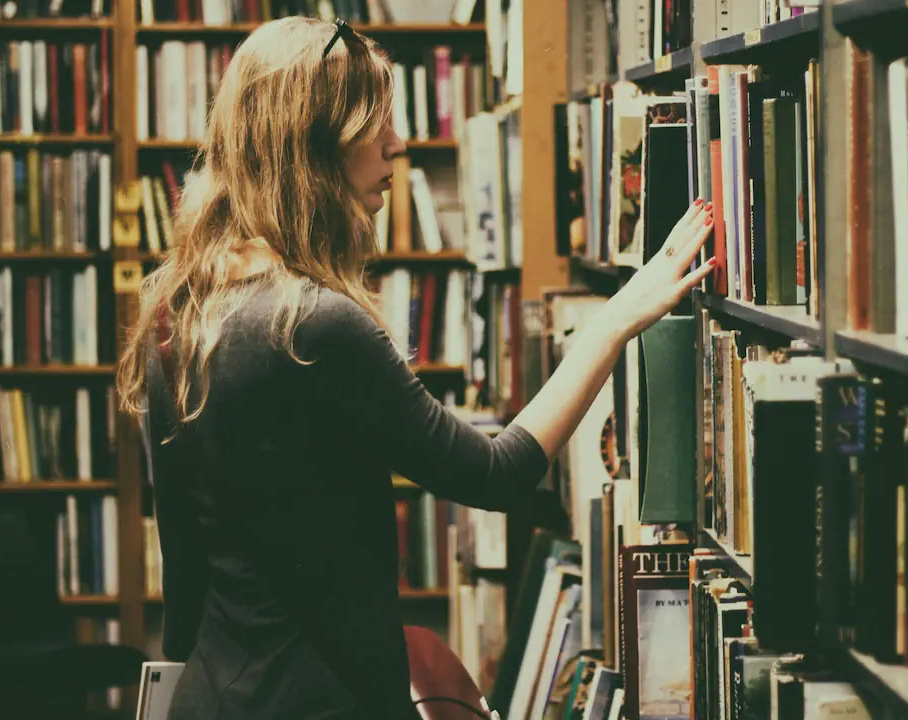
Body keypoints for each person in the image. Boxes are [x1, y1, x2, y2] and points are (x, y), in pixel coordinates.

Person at [116, 16, 715, 720]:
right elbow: (496, 473)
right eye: (378, 124)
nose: (398, 145)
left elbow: (185, 580)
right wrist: (614, 322)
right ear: (313, 145)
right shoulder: (314, 325)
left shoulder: (178, 318)